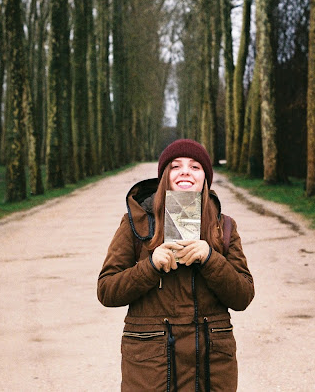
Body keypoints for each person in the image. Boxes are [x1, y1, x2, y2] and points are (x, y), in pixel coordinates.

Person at [97, 138, 254, 391]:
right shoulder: (135, 223)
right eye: (176, 166)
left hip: (211, 369)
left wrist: (211, 259)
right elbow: (106, 290)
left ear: (205, 177)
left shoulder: (223, 226)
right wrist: (149, 266)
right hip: (152, 371)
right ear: (164, 177)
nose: (185, 172)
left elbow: (243, 296)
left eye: (195, 167)